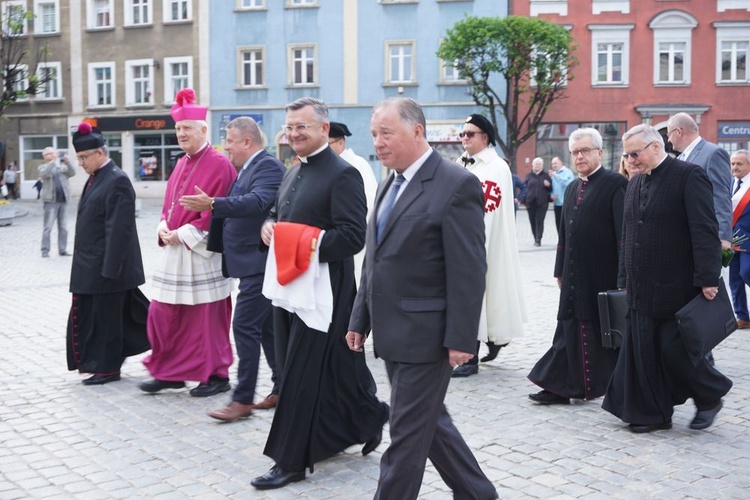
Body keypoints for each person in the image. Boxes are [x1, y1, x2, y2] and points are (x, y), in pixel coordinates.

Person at [347, 98, 497, 499]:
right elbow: (374, 259)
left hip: (428, 337)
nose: (377, 142)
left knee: (406, 439)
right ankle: (478, 493)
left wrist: (462, 338)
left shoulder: (455, 183)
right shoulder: (387, 183)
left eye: (386, 133)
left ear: (417, 131)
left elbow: (468, 269)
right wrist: (360, 318)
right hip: (393, 334)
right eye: (374, 134)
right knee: (429, 423)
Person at [251, 97, 388, 490]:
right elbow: (280, 214)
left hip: (325, 292)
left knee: (298, 374)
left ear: (324, 130)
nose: (293, 134)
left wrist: (295, 239)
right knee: (335, 369)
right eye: (289, 127)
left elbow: (351, 238)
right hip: (289, 284)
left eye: (302, 127)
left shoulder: (343, 174)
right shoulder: (293, 170)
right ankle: (370, 416)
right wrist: (269, 226)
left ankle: (290, 460)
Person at [602, 124, 732, 433]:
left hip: (677, 285)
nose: (630, 160)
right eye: (627, 154)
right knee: (645, 352)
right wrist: (623, 276)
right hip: (640, 286)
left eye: (635, 154)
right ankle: (654, 414)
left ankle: (710, 395)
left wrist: (708, 277)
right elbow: (628, 233)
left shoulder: (688, 176)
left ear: (656, 148)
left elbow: (704, 230)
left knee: (675, 351)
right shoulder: (634, 183)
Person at [179, 116, 284, 421]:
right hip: (249, 263)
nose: (226, 147)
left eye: (230, 141)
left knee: (244, 326)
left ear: (247, 142)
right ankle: (282, 387)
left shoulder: (267, 166)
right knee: (266, 330)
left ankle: (242, 399)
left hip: (260, 263)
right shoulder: (246, 169)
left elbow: (258, 201)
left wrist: (213, 204)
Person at [140, 88, 237, 398]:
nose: (181, 134)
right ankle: (170, 372)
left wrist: (180, 234)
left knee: (206, 318)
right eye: (178, 129)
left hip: (200, 253)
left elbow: (218, 211)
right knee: (164, 313)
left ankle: (216, 374)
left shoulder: (220, 164)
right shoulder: (181, 162)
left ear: (203, 130)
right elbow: (169, 205)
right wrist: (163, 228)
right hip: (175, 251)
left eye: (186, 129)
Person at [528, 128, 627, 403]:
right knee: (568, 328)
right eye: (575, 152)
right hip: (573, 274)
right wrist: (559, 269)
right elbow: (564, 236)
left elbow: (624, 235)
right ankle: (561, 386)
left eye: (585, 151)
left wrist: (624, 276)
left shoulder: (615, 184)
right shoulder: (572, 188)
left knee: (598, 332)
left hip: (602, 273)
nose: (579, 156)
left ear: (599, 152)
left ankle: (599, 386)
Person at [66, 122, 150, 385]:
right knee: (103, 318)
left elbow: (119, 231)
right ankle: (102, 364)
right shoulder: (97, 178)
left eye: (83, 157)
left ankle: (108, 368)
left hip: (108, 269)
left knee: (107, 321)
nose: (80, 163)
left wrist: (110, 270)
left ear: (99, 154)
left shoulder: (117, 180)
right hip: (92, 266)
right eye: (78, 158)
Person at [452, 114, 526, 377]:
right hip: (458, 242)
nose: (464, 138)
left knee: (478, 295)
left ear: (485, 136)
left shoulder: (497, 167)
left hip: (482, 243)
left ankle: (471, 357)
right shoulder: (460, 164)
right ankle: (494, 339)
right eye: (462, 134)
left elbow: (490, 209)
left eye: (470, 133)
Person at [667, 112, 732, 251]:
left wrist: (723, 237)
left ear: (679, 131)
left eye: (668, 134)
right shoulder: (679, 159)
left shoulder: (713, 153)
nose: (668, 140)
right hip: (683, 237)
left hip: (704, 236)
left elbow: (720, 195)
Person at [327, 121, 378, 285]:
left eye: (327, 145)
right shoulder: (329, 165)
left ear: (340, 142)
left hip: (355, 240)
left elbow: (370, 204)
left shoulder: (357, 165)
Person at [39, 148, 76, 258]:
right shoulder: (42, 167)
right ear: (44, 157)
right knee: (48, 227)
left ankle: (62, 249)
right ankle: (45, 250)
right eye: (48, 154)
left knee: (64, 227)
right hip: (50, 201)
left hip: (63, 200)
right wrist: (52, 162)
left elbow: (72, 173)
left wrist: (68, 162)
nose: (51, 155)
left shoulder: (61, 167)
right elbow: (44, 173)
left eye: (53, 153)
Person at [728, 150, 750, 329]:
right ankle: (742, 316)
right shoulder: (729, 183)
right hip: (731, 239)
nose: (735, 167)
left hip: (748, 239)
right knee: (734, 278)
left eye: (739, 164)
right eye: (733, 164)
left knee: (746, 272)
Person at [524, 157, 551, 246]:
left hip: (542, 203)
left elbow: (551, 189)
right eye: (536, 164)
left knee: (539, 220)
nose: (537, 166)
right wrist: (523, 200)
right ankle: (535, 237)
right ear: (532, 165)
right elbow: (524, 188)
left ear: (542, 166)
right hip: (530, 202)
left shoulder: (546, 176)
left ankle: (538, 239)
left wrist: (548, 185)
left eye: (539, 164)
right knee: (532, 221)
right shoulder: (529, 176)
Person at [549, 156, 575, 235]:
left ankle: (568, 241)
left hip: (566, 203)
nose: (554, 165)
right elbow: (551, 188)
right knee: (558, 224)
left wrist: (556, 176)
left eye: (555, 163)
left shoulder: (568, 172)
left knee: (567, 223)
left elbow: (568, 184)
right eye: (552, 164)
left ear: (561, 163)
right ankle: (561, 241)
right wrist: (551, 195)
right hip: (557, 203)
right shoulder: (554, 174)